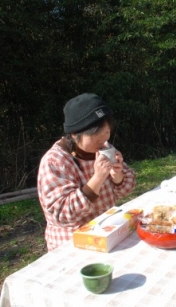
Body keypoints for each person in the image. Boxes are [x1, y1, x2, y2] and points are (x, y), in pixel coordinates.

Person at [37, 93, 136, 251]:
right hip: (73, 244)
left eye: (106, 132)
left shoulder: (104, 148)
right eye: (96, 135)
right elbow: (62, 213)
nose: (103, 140)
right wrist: (97, 179)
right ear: (75, 134)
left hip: (107, 233)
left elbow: (127, 188)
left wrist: (118, 177)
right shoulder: (55, 161)